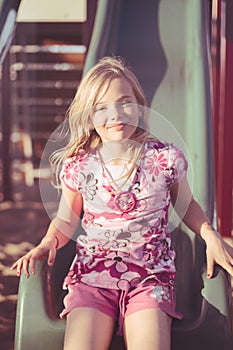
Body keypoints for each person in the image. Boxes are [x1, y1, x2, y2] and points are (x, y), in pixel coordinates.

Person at [11, 56, 233, 350]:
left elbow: (186, 205)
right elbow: (67, 219)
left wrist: (210, 234)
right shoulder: (80, 166)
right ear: (89, 117)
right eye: (101, 108)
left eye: (125, 102)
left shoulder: (163, 158)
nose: (115, 114)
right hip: (92, 276)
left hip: (149, 277)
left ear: (139, 107)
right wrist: (48, 241)